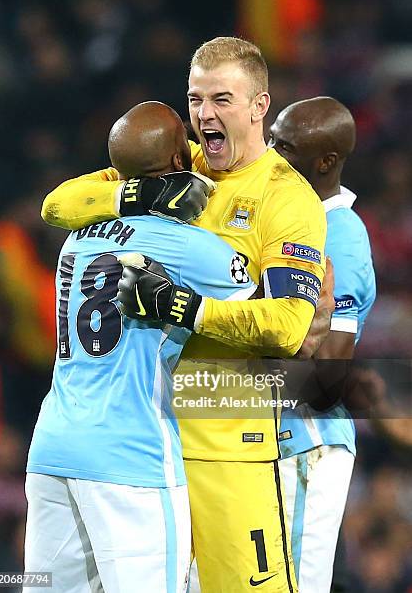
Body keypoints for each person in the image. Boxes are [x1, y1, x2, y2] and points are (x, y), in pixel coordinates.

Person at [40, 37, 332, 593]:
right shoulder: (175, 165)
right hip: (146, 442)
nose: (204, 115)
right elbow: (57, 206)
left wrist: (190, 308)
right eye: (196, 99)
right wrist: (135, 198)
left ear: (259, 106)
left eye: (222, 99)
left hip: (225, 441)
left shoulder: (285, 199)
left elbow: (290, 327)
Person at [24, 101, 256, 593]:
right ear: (180, 160)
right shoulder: (187, 247)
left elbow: (67, 203)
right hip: (133, 456)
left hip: (53, 448)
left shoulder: (75, 236)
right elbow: (269, 319)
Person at [268, 96, 376, 593]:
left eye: (284, 146)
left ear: (325, 161)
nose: (270, 152)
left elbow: (329, 379)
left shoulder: (342, 237)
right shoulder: (291, 220)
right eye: (270, 138)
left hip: (308, 445)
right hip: (269, 442)